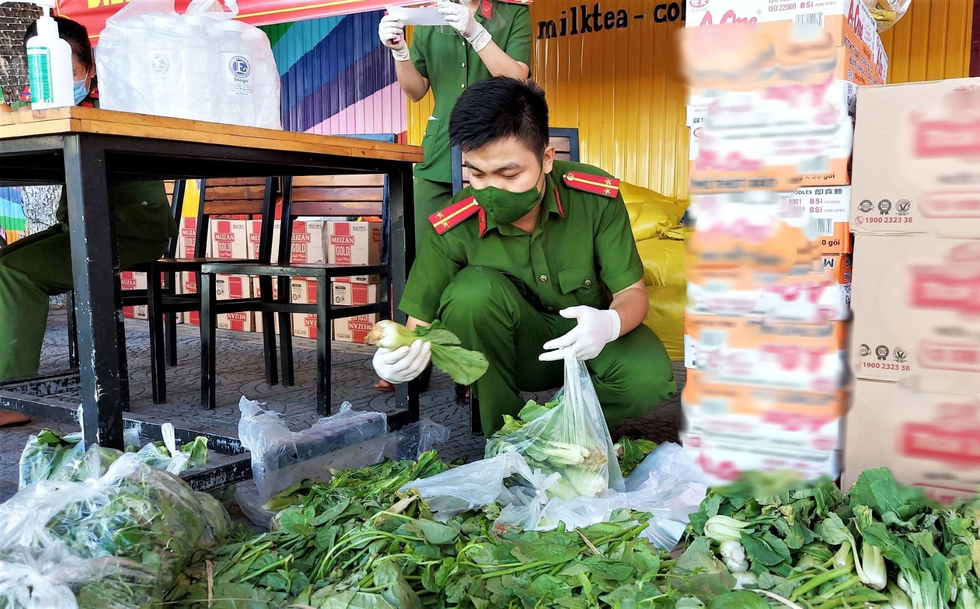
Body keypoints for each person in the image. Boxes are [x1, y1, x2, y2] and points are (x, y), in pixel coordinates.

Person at [371, 77, 677, 436]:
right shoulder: (453, 223)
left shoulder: (594, 196)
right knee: (471, 294)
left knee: (648, 379)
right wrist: (396, 359)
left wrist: (608, 325)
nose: (492, 190)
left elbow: (632, 294)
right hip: (514, 357)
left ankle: (560, 431)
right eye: (477, 174)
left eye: (509, 174)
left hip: (591, 338)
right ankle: (506, 435)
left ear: (546, 159)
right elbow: (418, 328)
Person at [0, 17, 177, 428]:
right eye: (42, 73)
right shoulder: (50, 108)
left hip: (132, 230)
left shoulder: (111, 103)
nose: (58, 84)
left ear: (90, 70)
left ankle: (14, 395)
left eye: (71, 73)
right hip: (82, 225)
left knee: (12, 273)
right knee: (5, 261)